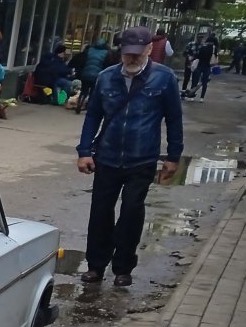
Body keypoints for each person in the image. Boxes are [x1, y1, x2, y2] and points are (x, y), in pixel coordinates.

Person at [75, 25, 184, 288]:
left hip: (142, 157)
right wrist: (84, 151)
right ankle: (96, 266)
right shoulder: (105, 77)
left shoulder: (164, 78)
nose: (133, 58)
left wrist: (173, 156)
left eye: (138, 53)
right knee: (100, 212)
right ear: (121, 51)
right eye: (128, 53)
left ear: (149, 49)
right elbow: (93, 116)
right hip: (107, 156)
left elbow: (174, 118)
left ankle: (123, 267)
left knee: (132, 211)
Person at [74, 35, 112, 109]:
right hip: (97, 76)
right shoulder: (106, 53)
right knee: (93, 92)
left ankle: (79, 103)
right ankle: (89, 106)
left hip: (86, 74)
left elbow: (82, 61)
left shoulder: (89, 50)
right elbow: (107, 65)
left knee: (84, 90)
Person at [188, 34, 216, 101]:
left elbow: (198, 56)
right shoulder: (214, 49)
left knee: (195, 81)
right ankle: (202, 98)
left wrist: (192, 60)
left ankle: (192, 96)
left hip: (200, 65)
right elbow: (215, 58)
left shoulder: (202, 47)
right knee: (204, 82)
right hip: (208, 66)